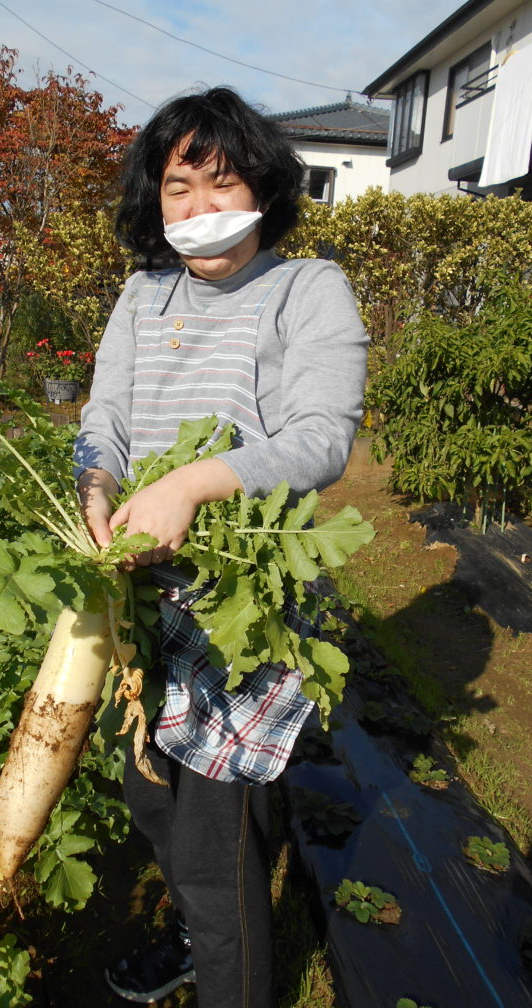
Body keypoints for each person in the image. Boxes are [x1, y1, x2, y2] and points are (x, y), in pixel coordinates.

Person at [73, 86, 368, 1008]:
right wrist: (97, 484)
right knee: (152, 794)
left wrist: (195, 484)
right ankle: (203, 934)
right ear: (154, 200)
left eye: (221, 181)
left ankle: (231, 973)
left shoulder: (305, 290)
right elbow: (105, 417)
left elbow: (322, 436)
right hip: (137, 597)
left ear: (263, 188)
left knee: (212, 840)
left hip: (237, 598)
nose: (200, 205)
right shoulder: (142, 293)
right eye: (178, 187)